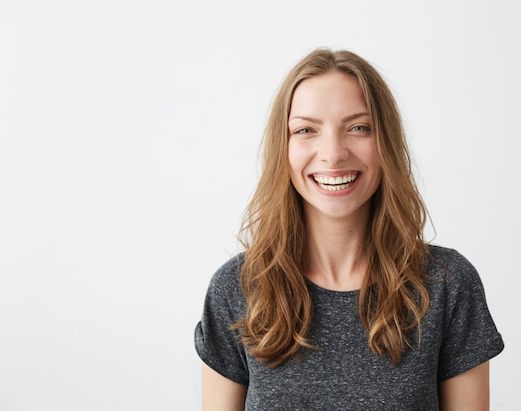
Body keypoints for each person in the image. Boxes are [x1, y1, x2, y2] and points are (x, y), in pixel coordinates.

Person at [194, 48, 504, 411]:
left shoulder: (447, 284)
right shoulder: (237, 289)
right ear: (284, 148)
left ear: (386, 142)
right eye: (306, 130)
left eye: (358, 127)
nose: (333, 153)